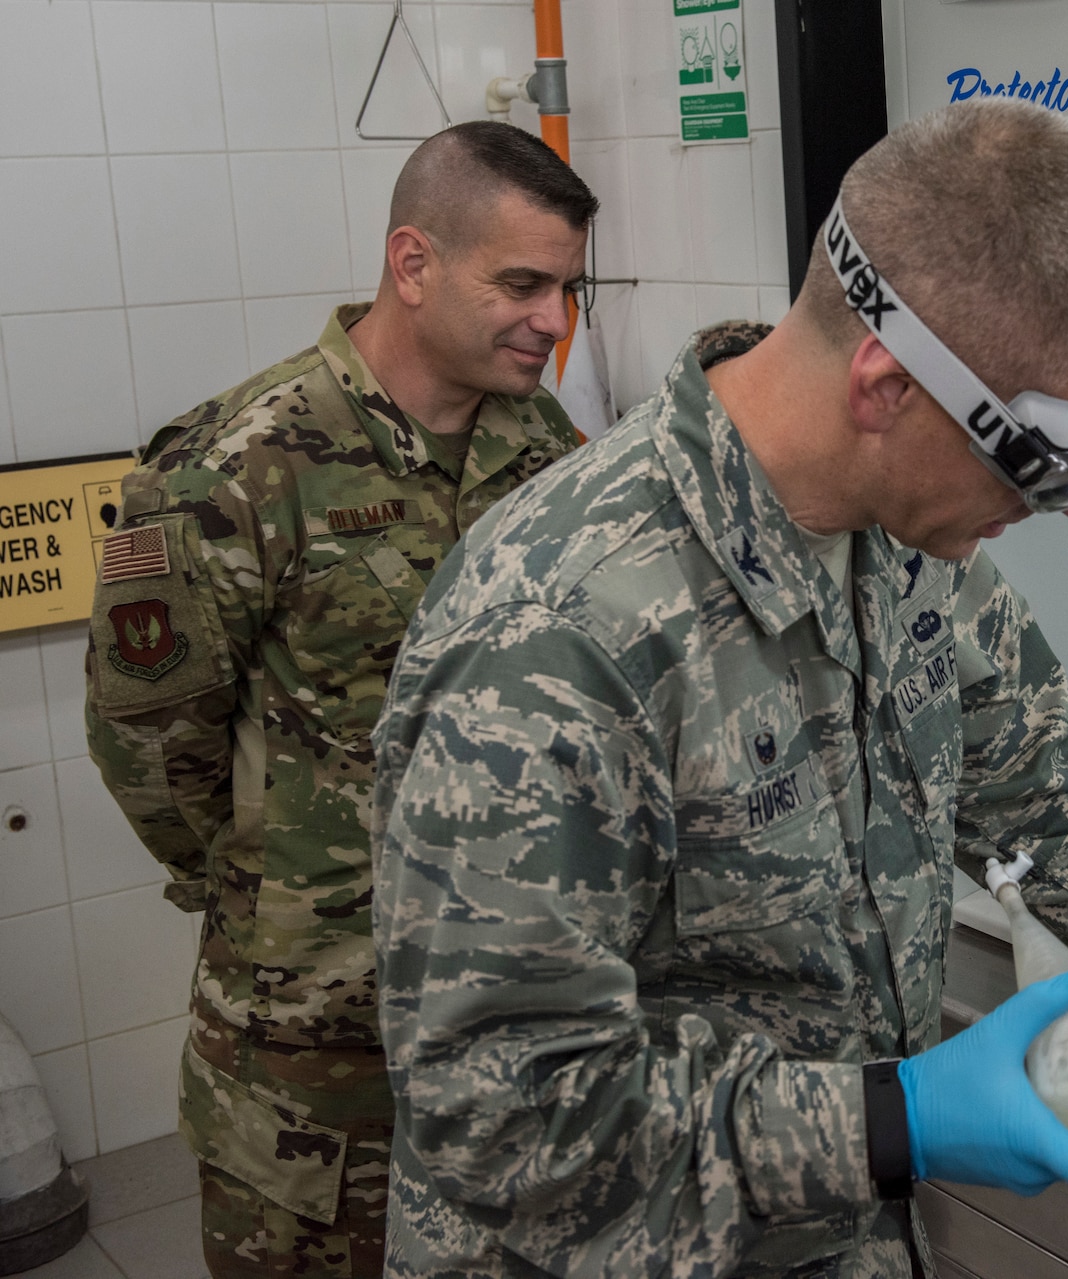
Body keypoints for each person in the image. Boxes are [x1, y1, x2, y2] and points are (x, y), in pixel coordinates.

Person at [371, 99, 1068, 1279]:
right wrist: (890, 1119)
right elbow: (507, 1120)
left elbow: (1039, 803)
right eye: (1046, 460)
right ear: (885, 386)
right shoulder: (561, 633)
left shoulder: (903, 548)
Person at [82, 121, 596, 1279]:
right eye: (522, 283)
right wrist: (282, 889)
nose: (554, 321)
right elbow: (150, 748)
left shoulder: (548, 448)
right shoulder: (235, 469)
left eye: (569, 288)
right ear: (412, 265)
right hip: (318, 1053)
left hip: (516, 1024)